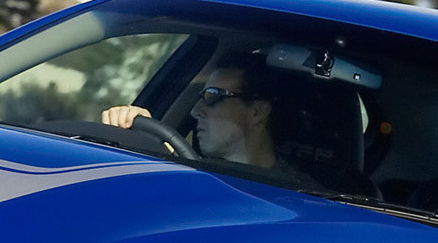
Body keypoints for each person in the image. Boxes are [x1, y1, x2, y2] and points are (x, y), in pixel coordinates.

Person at [101, 52, 304, 178]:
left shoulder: (298, 197)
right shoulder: (189, 172)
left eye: (212, 97)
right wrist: (138, 132)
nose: (195, 111)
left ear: (257, 112)